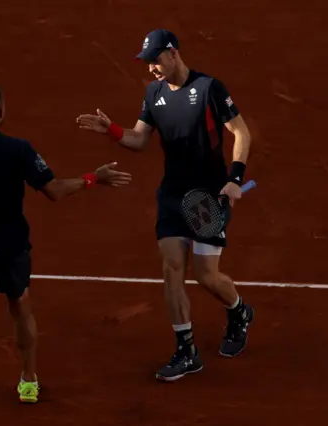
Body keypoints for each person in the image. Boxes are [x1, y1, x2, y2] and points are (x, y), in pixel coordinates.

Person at [0, 84, 132, 418]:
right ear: (1, 111)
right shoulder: (19, 149)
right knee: (21, 309)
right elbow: (54, 190)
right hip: (11, 247)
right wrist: (94, 178)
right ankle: (29, 380)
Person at [76, 29, 254, 382]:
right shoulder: (153, 93)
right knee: (172, 266)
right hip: (173, 194)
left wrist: (234, 178)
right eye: (148, 62)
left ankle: (239, 311)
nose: (152, 68)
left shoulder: (209, 89)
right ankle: (186, 350)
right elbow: (140, 138)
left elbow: (242, 133)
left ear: (173, 54)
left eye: (156, 60)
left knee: (206, 276)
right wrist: (110, 129)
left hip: (208, 196)